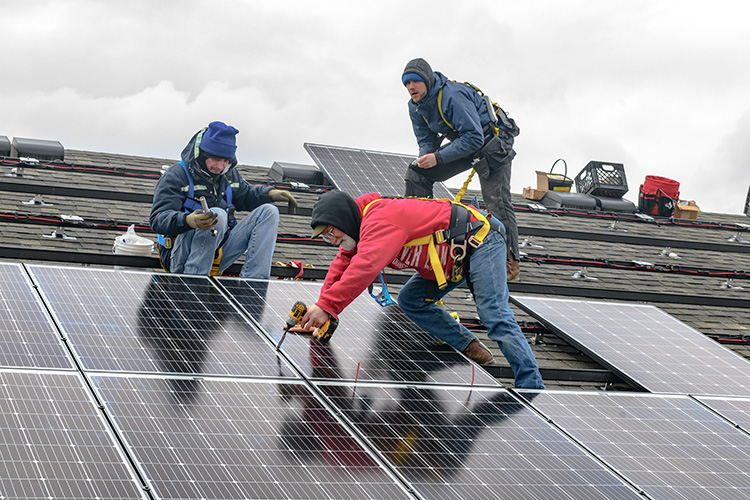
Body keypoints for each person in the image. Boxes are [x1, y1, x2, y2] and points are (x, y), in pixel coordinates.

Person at [295, 190, 544, 389]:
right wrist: (320, 309)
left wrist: (329, 306)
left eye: (331, 232)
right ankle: (468, 345)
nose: (332, 239)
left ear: (342, 219)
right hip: (453, 259)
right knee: (411, 300)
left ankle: (531, 386)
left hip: (480, 241)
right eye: (326, 237)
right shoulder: (356, 228)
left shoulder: (380, 219)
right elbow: (342, 264)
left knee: (493, 313)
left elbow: (365, 266)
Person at [401, 58, 522, 281]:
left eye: (416, 81)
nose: (411, 87)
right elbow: (426, 139)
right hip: (465, 143)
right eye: (406, 83)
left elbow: (475, 137)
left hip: (492, 142)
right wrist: (425, 159)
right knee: (417, 173)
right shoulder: (415, 106)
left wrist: (438, 158)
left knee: (496, 201)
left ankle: (509, 262)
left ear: (427, 81)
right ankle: (422, 240)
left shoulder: (451, 95)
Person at [150, 121, 296, 278]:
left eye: (226, 161)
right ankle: (194, 282)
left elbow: (245, 193)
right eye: (216, 159)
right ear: (203, 153)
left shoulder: (227, 174)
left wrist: (269, 194)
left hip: (217, 253)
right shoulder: (177, 175)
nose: (220, 166)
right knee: (218, 214)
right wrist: (188, 220)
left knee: (269, 212)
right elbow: (158, 219)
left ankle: (255, 283)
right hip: (180, 257)